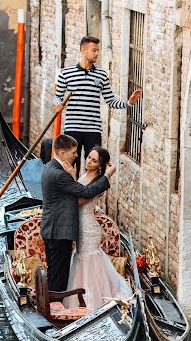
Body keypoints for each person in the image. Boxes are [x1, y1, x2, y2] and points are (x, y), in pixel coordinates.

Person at [40, 134, 116, 293]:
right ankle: (55, 305)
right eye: (74, 152)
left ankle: (55, 302)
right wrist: (108, 175)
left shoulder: (50, 167)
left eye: (93, 160)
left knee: (57, 272)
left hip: (66, 228)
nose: (78, 156)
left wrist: (72, 177)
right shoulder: (61, 174)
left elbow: (82, 193)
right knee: (58, 275)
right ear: (62, 153)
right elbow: (85, 193)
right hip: (59, 230)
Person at [53, 36, 141, 172]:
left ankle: (89, 193)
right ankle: (72, 193)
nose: (97, 53)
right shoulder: (66, 74)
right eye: (94, 50)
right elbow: (57, 97)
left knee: (94, 168)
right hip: (72, 128)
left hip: (93, 129)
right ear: (83, 51)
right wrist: (58, 104)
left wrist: (129, 102)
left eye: (98, 50)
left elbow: (111, 101)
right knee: (69, 167)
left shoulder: (101, 75)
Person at [63, 146, 132, 310]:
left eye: (94, 160)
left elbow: (80, 200)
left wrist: (71, 179)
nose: (88, 161)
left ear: (100, 165)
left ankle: (92, 303)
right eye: (88, 157)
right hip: (81, 227)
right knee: (81, 261)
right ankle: (80, 299)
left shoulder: (97, 183)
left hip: (88, 229)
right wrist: (73, 177)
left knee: (88, 263)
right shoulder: (84, 175)